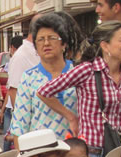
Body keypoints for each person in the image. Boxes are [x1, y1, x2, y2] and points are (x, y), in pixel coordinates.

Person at [38, 21, 121, 157]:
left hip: (118, 151)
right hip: (92, 154)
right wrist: (70, 116)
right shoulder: (87, 70)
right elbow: (44, 91)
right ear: (105, 45)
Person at [9, 13, 79, 144]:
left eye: (52, 38)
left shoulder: (78, 73)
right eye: (41, 39)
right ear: (35, 46)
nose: (46, 43)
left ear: (63, 44)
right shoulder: (29, 78)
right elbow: (19, 128)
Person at [4, 24, 42, 148]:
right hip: (25, 119)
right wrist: (22, 124)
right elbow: (13, 90)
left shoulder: (36, 54)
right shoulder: (20, 56)